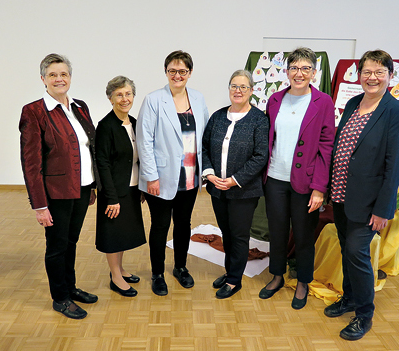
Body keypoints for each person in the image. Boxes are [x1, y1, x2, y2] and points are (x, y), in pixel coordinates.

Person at [325, 50, 399, 340]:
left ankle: (364, 314)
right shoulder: (351, 104)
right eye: (367, 72)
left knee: (356, 252)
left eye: (379, 72)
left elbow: (396, 164)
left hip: (369, 201)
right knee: (345, 249)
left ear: (390, 76)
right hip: (341, 195)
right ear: (358, 74)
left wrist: (384, 209)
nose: (372, 77)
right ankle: (348, 298)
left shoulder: (395, 112)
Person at [19, 53, 99, 319]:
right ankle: (60, 298)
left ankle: (71, 287)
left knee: (71, 241)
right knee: (56, 246)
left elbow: (89, 147)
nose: (59, 79)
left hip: (83, 188)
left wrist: (93, 185)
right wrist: (40, 205)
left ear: (70, 77)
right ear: (43, 79)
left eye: (63, 74)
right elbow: (31, 163)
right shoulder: (34, 111)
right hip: (56, 194)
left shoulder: (80, 106)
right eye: (52, 74)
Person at [259, 47, 335, 309]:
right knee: (277, 232)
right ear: (286, 71)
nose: (299, 73)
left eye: (305, 68)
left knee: (303, 235)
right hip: (275, 178)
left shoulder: (323, 102)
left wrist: (319, 188)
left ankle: (303, 280)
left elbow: (327, 146)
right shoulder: (275, 99)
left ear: (314, 72)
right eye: (294, 68)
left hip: (307, 182)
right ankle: (277, 276)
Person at [136, 50, 209, 296]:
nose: (177, 75)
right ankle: (157, 273)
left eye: (182, 71)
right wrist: (151, 177)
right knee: (160, 225)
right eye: (172, 71)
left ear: (190, 73)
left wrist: (205, 173)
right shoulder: (154, 99)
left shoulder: (197, 99)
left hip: (189, 176)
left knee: (183, 224)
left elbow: (204, 137)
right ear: (166, 72)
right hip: (161, 177)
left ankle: (180, 267)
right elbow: (144, 140)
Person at [202, 70, 269, 299]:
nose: (238, 91)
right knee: (226, 233)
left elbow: (261, 156)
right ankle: (231, 270)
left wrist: (234, 180)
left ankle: (233, 281)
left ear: (251, 90)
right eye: (234, 86)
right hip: (217, 189)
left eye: (243, 87)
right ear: (229, 89)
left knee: (239, 236)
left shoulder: (259, 120)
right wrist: (210, 175)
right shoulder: (218, 117)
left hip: (244, 191)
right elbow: (204, 147)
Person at [95, 76, 146, 297]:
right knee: (113, 234)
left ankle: (120, 269)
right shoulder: (106, 126)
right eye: (119, 94)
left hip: (132, 187)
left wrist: (142, 185)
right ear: (110, 98)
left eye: (128, 94)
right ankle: (115, 277)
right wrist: (111, 197)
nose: (124, 99)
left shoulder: (134, 123)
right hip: (114, 191)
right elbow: (102, 164)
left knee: (123, 232)